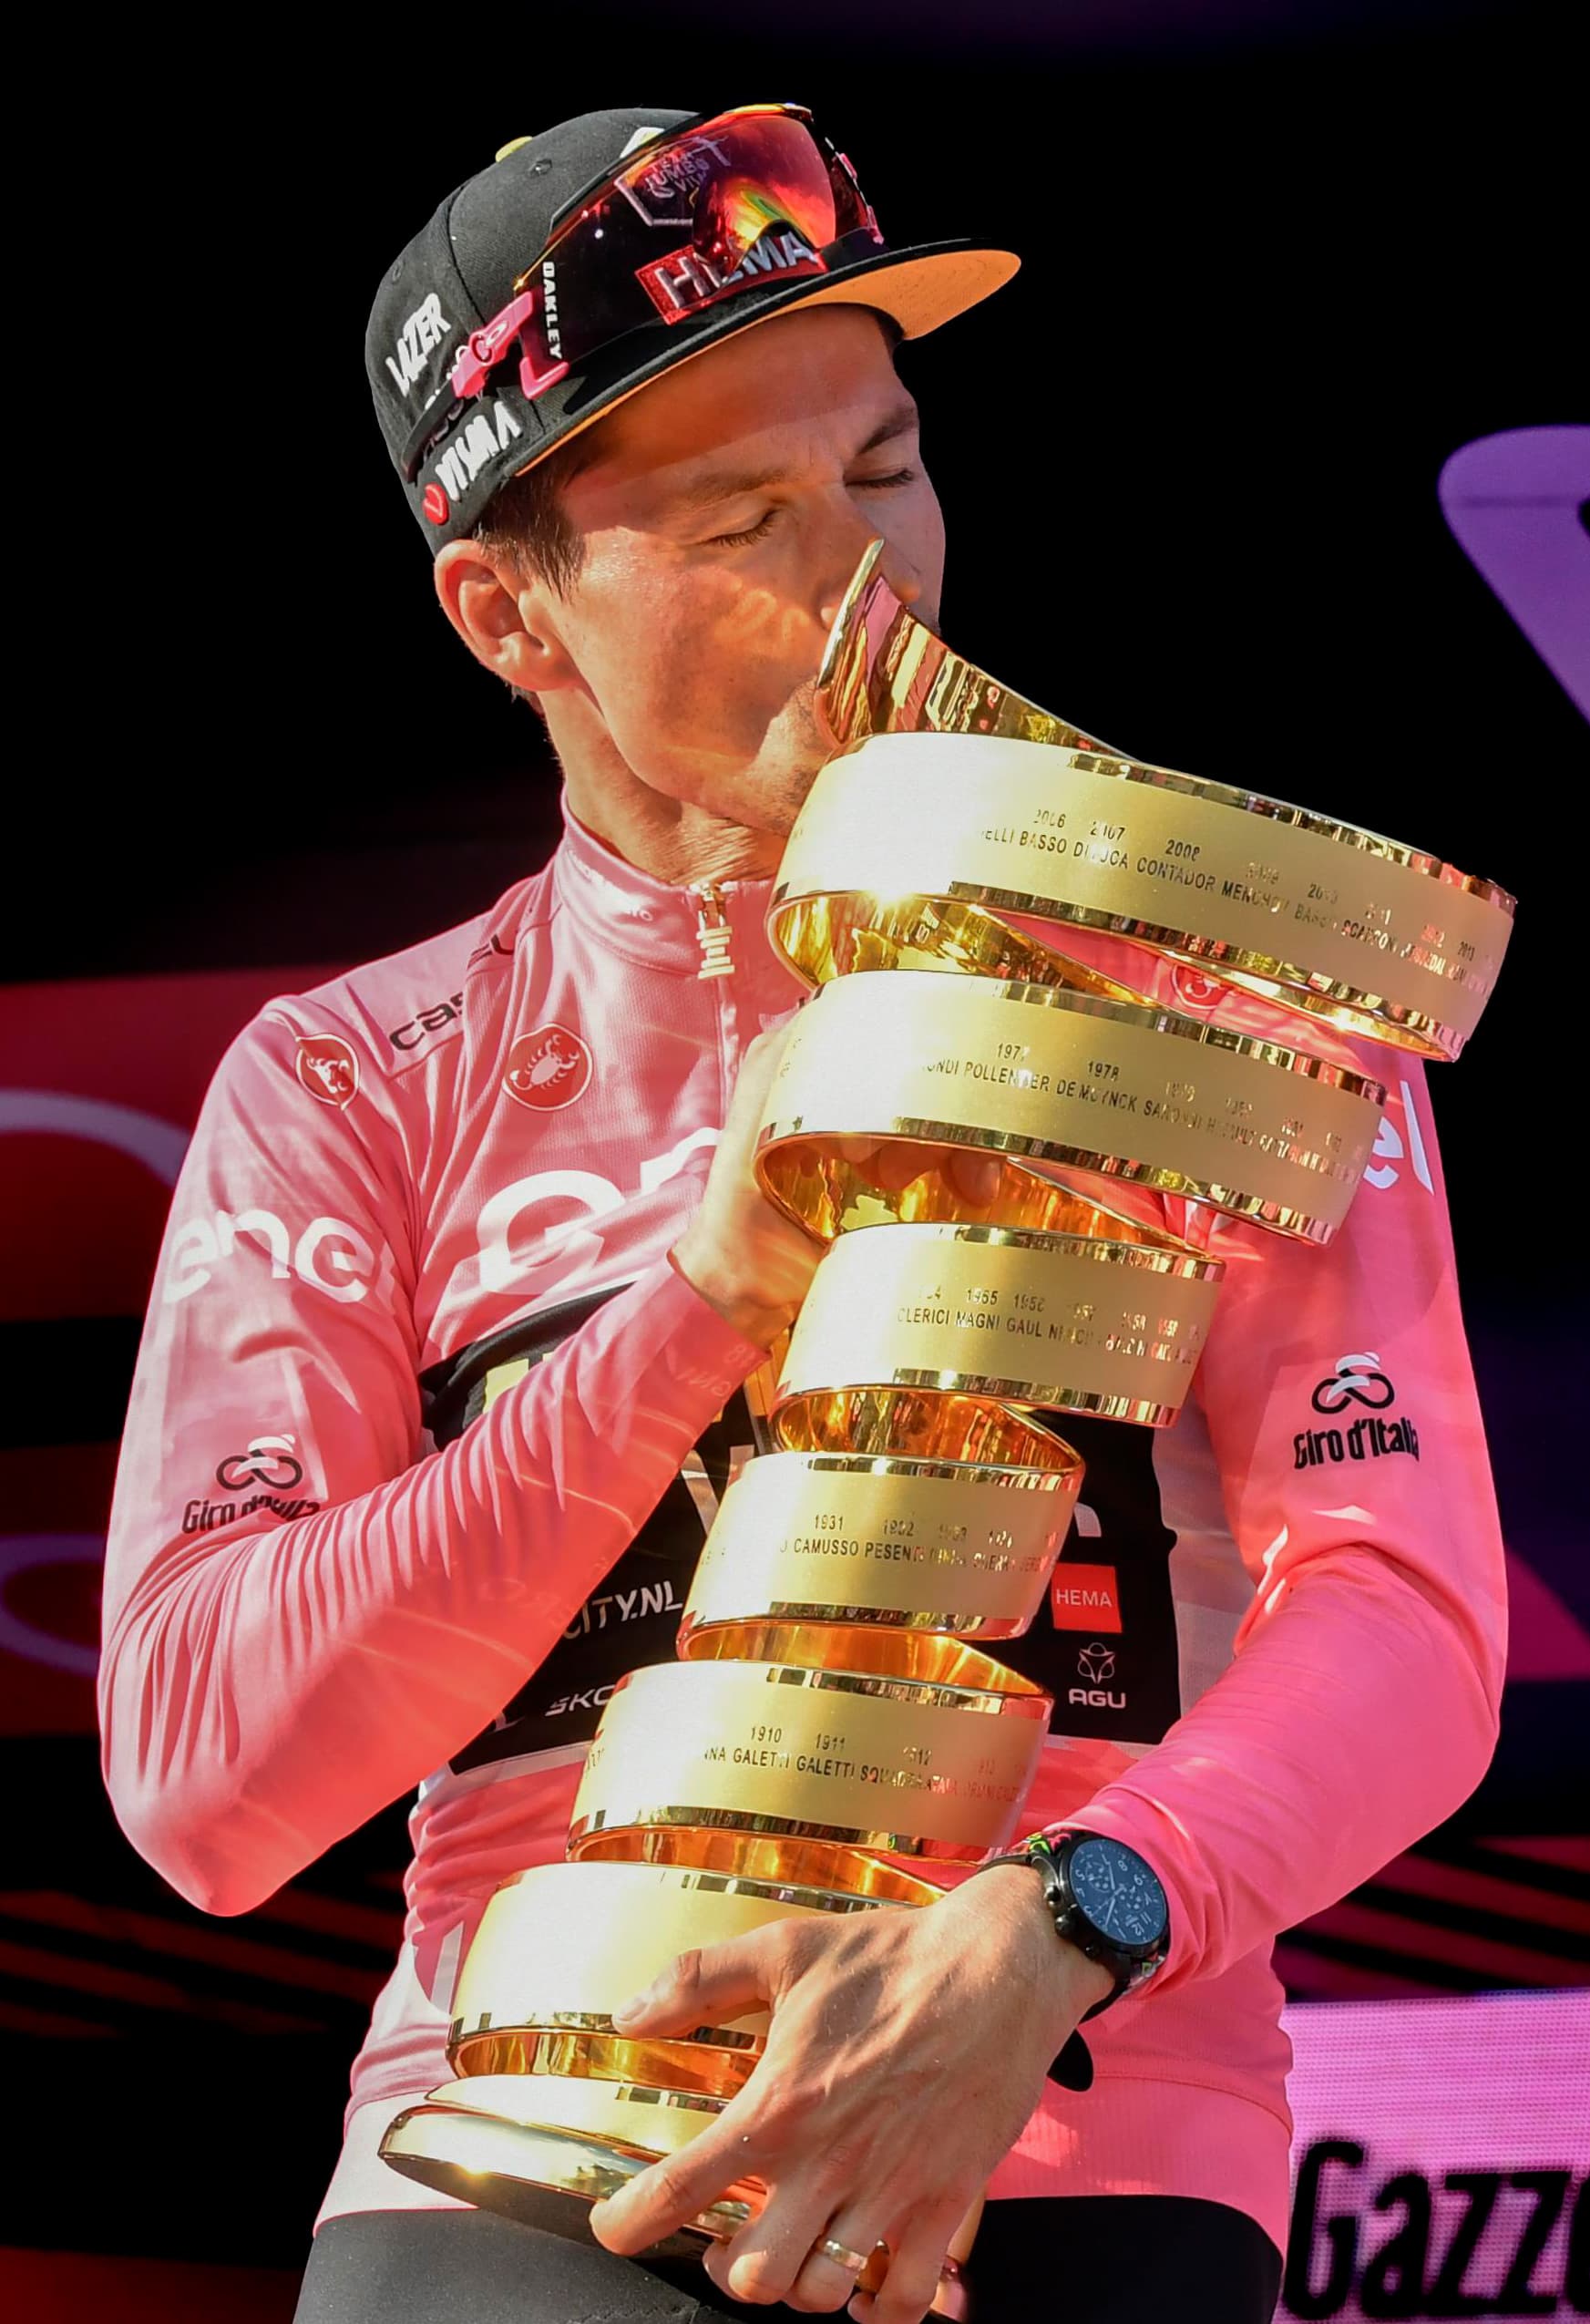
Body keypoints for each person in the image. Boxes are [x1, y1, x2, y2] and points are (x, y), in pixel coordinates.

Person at [98, 101, 1506, 2324]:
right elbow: (209, 1783)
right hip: (501, 2149)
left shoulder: (1228, 990)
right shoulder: (354, 1078)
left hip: (1069, 2129)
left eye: (881, 468)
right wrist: (702, 1298)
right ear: (504, 614)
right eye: (741, 515)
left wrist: (1064, 1925)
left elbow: (1410, 1627)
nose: (868, 575)